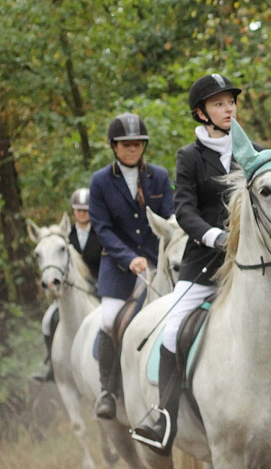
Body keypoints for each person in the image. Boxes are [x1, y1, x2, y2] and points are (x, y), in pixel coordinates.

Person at [132, 73, 241, 455]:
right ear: (201, 113)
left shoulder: (253, 151)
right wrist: (215, 237)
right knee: (172, 329)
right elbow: (185, 210)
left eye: (231, 102)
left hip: (249, 265)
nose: (228, 109)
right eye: (218, 104)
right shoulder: (189, 157)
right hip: (204, 264)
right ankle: (165, 416)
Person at [89, 112, 173, 419]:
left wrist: (160, 255)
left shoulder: (159, 176)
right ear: (114, 146)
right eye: (126, 144)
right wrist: (129, 258)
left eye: (138, 144)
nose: (132, 149)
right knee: (109, 319)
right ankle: (107, 391)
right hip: (118, 267)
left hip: (157, 263)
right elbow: (102, 228)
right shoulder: (100, 181)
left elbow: (169, 218)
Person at [32, 188, 103, 383]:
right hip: (69, 290)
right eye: (79, 210)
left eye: (86, 210)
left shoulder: (101, 233)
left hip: (98, 288)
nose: (82, 214)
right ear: (73, 211)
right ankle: (50, 364)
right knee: (48, 320)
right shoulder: (65, 236)